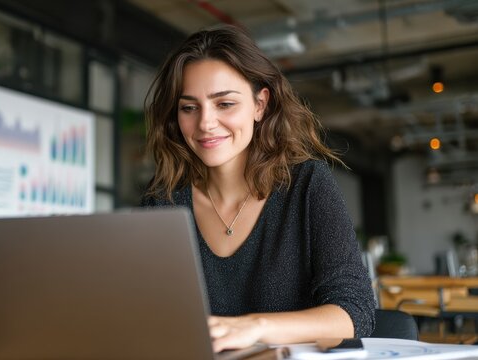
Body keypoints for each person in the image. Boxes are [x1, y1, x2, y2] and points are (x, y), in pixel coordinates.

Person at [140, 24, 376, 352]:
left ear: (260, 105)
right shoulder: (162, 201)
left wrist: (256, 327)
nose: (205, 123)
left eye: (224, 104)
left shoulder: (307, 186)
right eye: (189, 107)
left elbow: (355, 313)